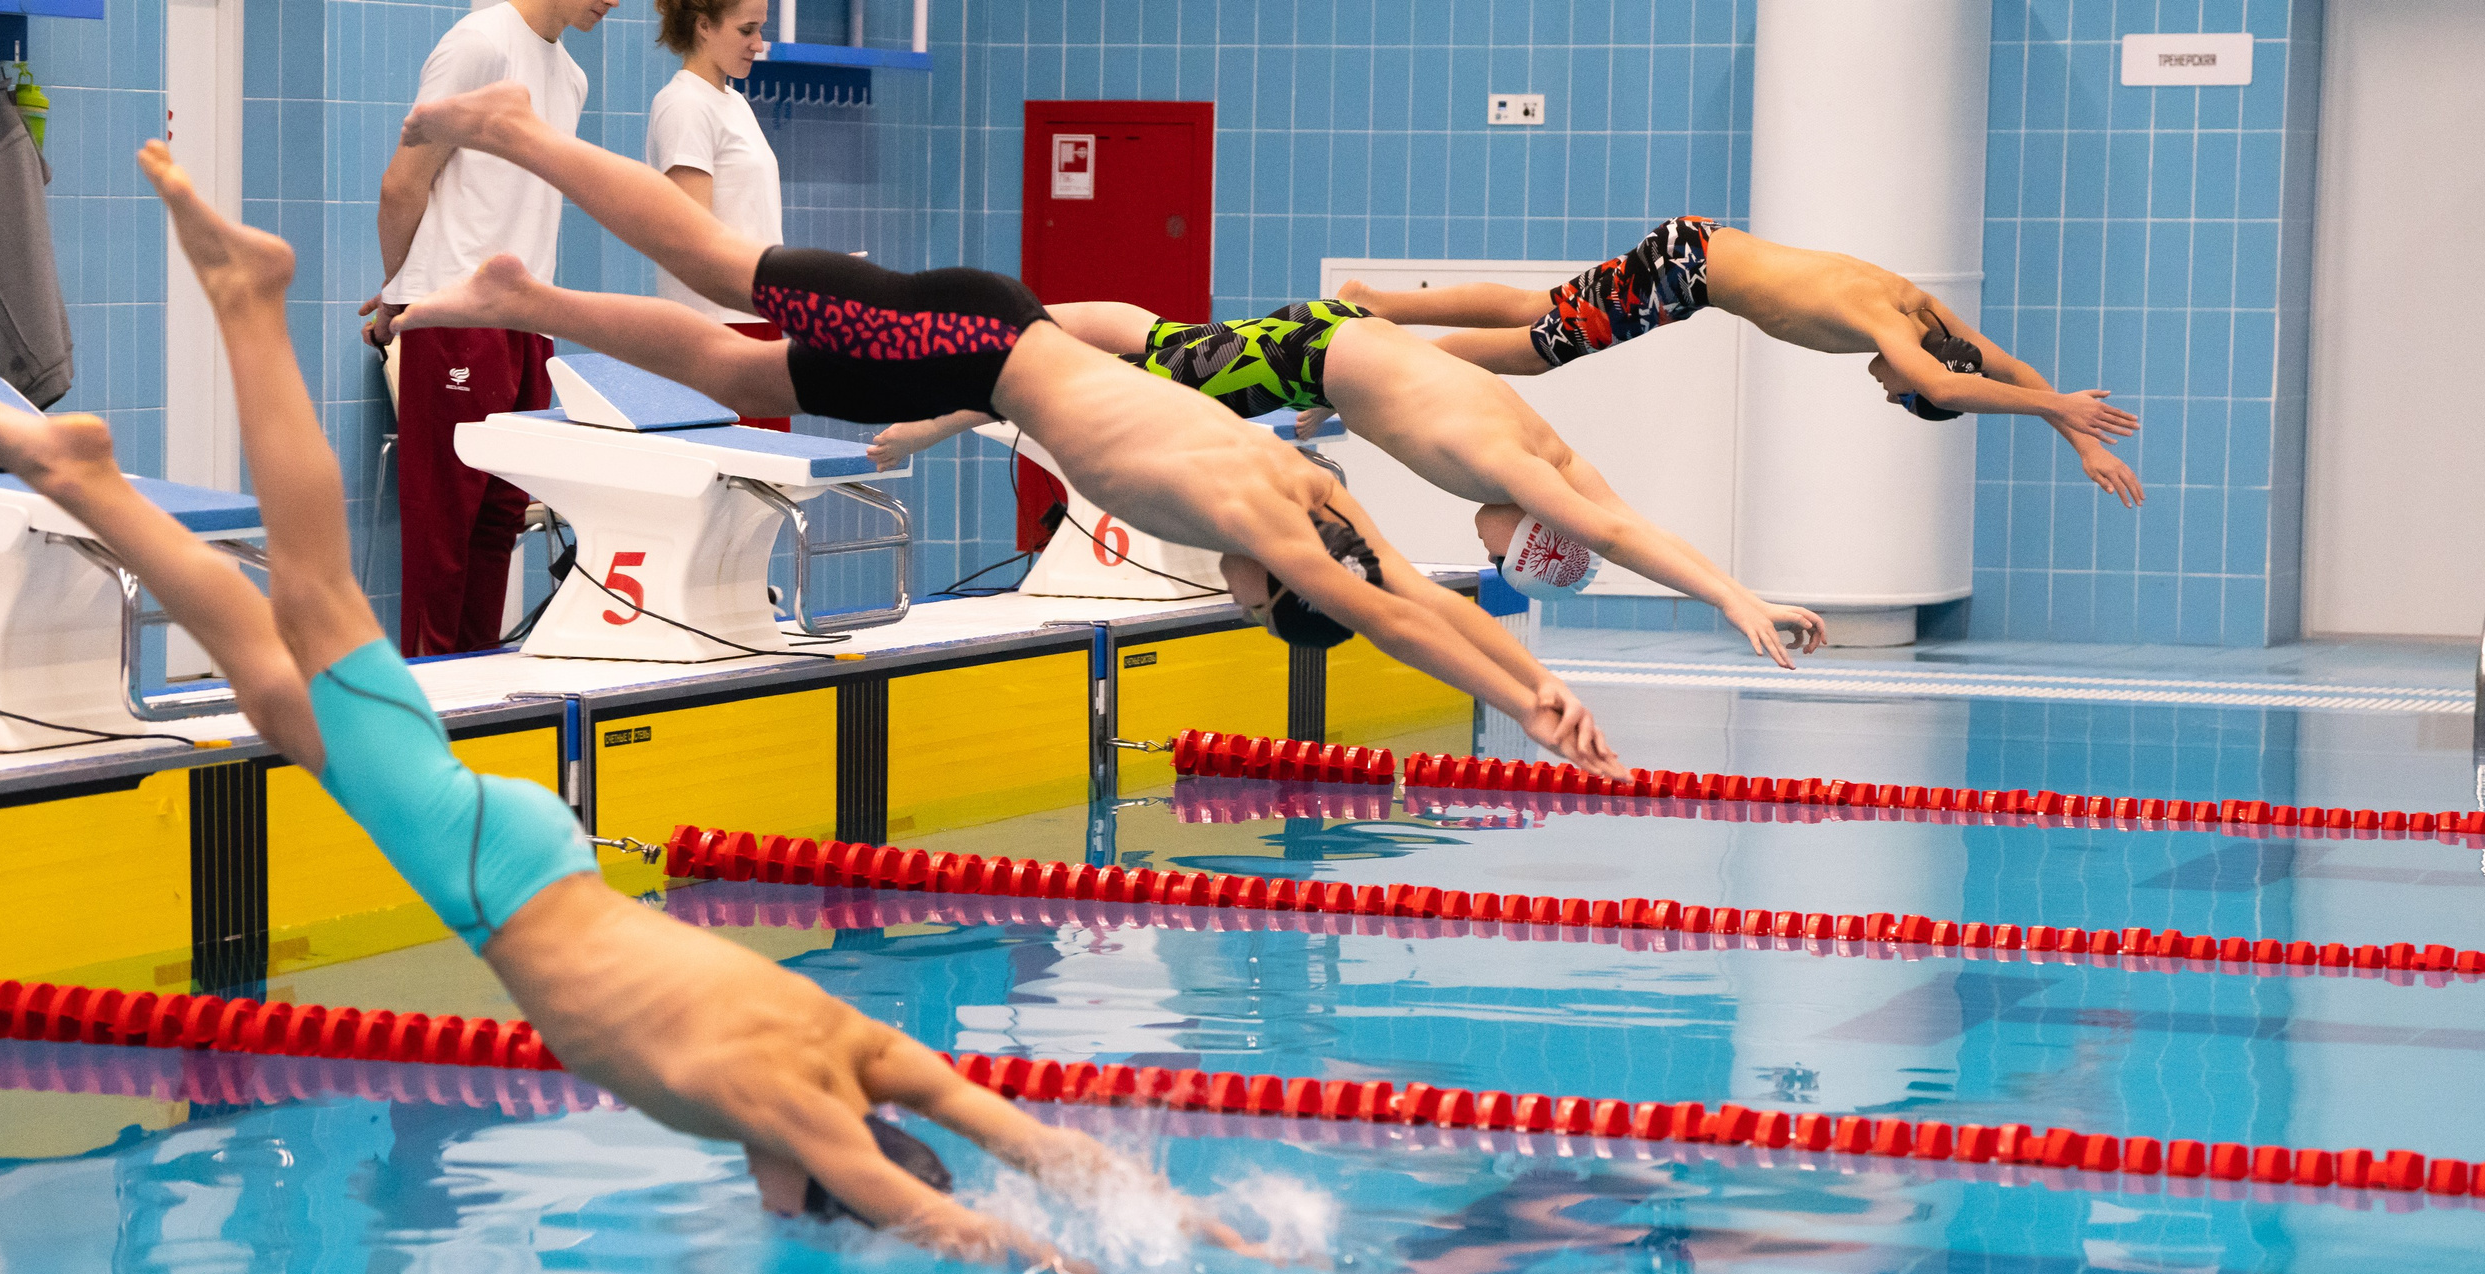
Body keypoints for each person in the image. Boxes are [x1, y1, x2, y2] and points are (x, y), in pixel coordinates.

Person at [0, 139, 1269, 1273]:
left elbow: (1035, 1146)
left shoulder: (852, 1047)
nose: (768, 1204)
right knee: (318, 608)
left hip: (546, 870)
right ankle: (244, 304)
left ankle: (88, 478)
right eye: (790, 1205)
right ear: (811, 1178)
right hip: (496, 880)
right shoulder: (788, 1100)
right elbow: (948, 1214)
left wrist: (1202, 1225)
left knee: (284, 685)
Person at [389, 81, 1625, 778]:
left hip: (986, 356)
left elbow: (1408, 586)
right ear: (1273, 585)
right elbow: (1391, 617)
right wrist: (1517, 704)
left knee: (729, 360)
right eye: (1254, 606)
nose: (1238, 601)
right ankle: (515, 133)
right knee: (720, 271)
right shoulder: (1270, 523)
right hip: (965, 343)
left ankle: (526, 300)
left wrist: (1541, 681)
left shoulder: (1311, 494)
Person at [869, 299, 1829, 668]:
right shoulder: (1518, 472)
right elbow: (1620, 539)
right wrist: (1735, 605)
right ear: (1532, 533)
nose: (1486, 548)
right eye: (1503, 555)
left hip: (1327, 349)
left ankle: (945, 401)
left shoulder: (1556, 455)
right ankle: (930, 416)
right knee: (1081, 362)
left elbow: (1631, 523)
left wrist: (1747, 588)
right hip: (1311, 356)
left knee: (1143, 344)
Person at [1337, 217, 2146, 508]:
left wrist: (2083, 439)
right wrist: (2059, 411)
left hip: (1694, 260)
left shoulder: (1930, 317)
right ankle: (1383, 344)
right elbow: (1950, 384)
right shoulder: (1897, 331)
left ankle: (1384, 309)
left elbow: (2002, 365)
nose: (1892, 394)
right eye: (1904, 401)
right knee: (1538, 344)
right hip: (1690, 268)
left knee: (1539, 317)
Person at [360, 0, 613, 657]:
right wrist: (401, 293)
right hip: (454, 319)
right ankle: (434, 703)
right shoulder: (479, 44)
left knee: (499, 521)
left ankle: (478, 695)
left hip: (527, 320)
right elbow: (403, 183)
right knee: (443, 534)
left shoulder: (571, 77)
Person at [648, 0, 791, 431]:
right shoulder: (684, 105)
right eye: (747, 30)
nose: (758, 44)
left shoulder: (733, 102)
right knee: (735, 488)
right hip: (717, 330)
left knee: (770, 490)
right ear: (704, 25)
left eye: (761, 30)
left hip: (755, 318)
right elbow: (693, 239)